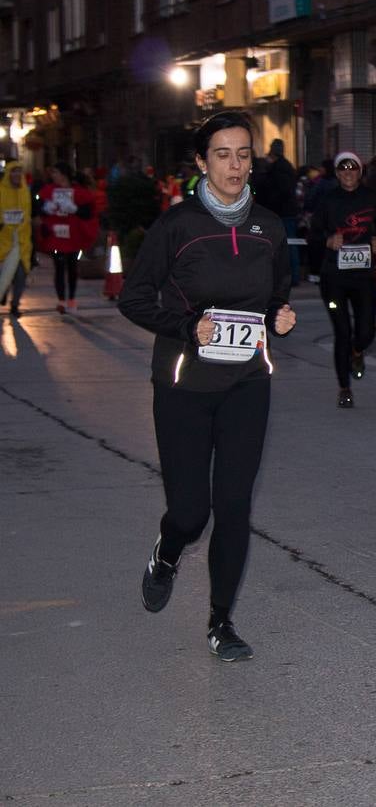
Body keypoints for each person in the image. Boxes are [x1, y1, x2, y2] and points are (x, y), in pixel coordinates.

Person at [119, 111, 297, 662]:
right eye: (222, 154)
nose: (235, 165)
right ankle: (168, 551)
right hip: (185, 386)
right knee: (191, 512)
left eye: (243, 154)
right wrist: (185, 326)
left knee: (235, 505)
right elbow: (134, 297)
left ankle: (222, 620)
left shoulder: (269, 226)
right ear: (201, 161)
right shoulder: (178, 225)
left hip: (247, 382)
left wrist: (279, 317)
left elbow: (277, 296)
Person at [310, 151, 376, 408]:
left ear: (360, 172)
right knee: (342, 331)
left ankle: (357, 352)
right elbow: (312, 233)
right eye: (343, 169)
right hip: (334, 278)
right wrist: (328, 240)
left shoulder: (372, 197)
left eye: (353, 169)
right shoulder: (327, 199)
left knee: (366, 332)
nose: (348, 174)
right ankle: (344, 388)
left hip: (363, 276)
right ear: (337, 173)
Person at [36, 162, 98, 314]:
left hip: (74, 236)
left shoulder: (80, 192)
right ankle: (61, 301)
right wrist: (45, 208)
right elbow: (38, 207)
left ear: (63, 174)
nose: (53, 176)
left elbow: (89, 212)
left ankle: (71, 299)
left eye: (55, 172)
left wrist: (75, 209)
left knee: (71, 267)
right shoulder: (48, 190)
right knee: (58, 266)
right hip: (56, 235)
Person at [256, 139, 301, 286]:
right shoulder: (285, 166)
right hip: (286, 211)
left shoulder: (279, 168)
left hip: (283, 211)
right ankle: (293, 275)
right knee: (289, 243)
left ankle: (293, 276)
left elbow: (281, 190)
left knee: (288, 244)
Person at [0, 162, 32, 317]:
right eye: (13, 172)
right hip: (3, 240)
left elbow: (29, 214)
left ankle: (15, 305)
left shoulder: (25, 192)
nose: (16, 175)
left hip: (22, 241)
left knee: (20, 275)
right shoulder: (1, 191)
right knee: (4, 275)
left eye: (19, 171)